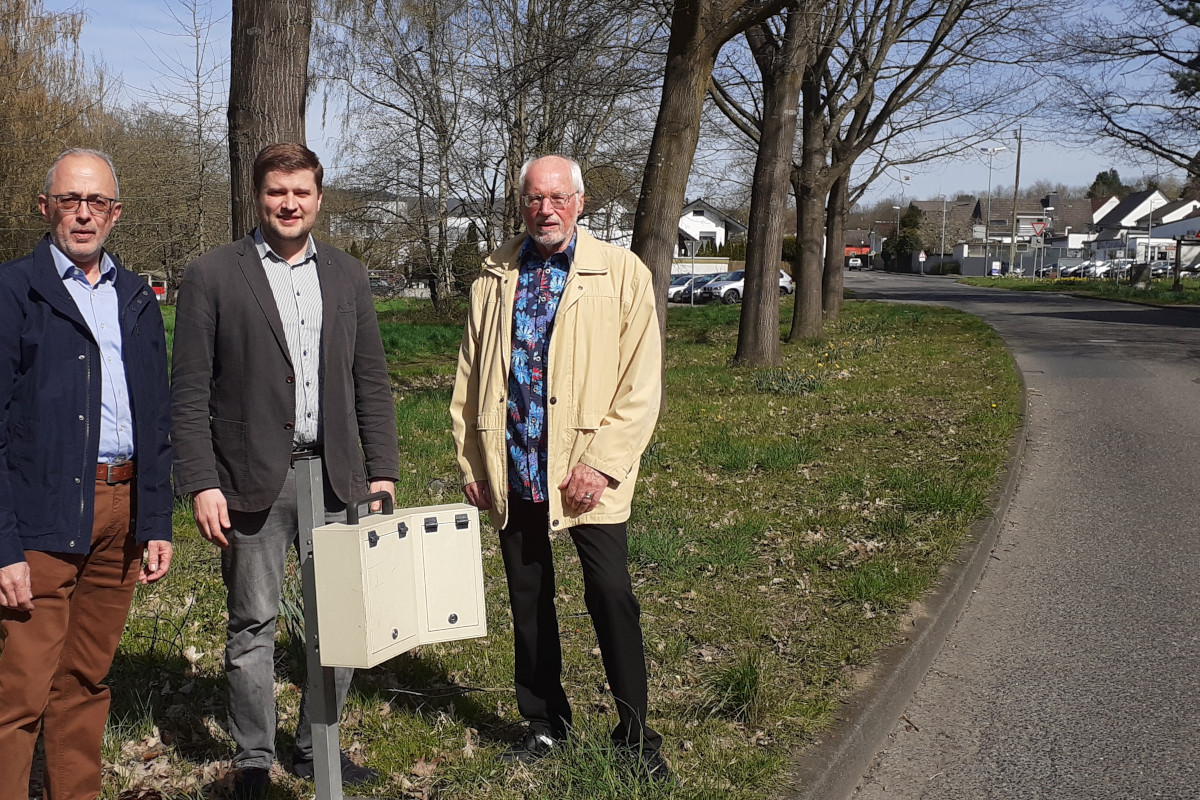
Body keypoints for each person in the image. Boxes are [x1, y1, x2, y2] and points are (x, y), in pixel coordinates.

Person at [171, 143, 399, 798]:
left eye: (301, 191)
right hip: (251, 480)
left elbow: (372, 382)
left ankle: (313, 748)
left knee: (346, 624)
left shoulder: (350, 276)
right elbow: (188, 391)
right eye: (277, 191)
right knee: (253, 625)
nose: (289, 203)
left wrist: (381, 468)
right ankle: (252, 758)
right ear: (258, 196)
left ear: (319, 198)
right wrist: (201, 480)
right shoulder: (212, 275)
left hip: (336, 476)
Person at [449, 154, 670, 781]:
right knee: (528, 599)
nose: (545, 211)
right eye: (533, 200)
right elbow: (468, 379)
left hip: (584, 476)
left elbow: (641, 385)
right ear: (520, 204)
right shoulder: (494, 275)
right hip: (513, 465)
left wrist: (601, 465)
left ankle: (635, 735)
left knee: (610, 595)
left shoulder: (621, 273)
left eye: (557, 199)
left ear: (579, 202)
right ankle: (545, 725)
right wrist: (473, 458)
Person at [0, 149, 174, 800]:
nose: (82, 214)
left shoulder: (134, 297)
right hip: (41, 517)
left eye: (95, 202)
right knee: (19, 695)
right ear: (45, 207)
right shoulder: (15, 292)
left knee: (84, 684)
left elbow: (155, 414)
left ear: (115, 213)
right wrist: (4, 546)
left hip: (121, 514)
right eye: (69, 201)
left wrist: (156, 519)